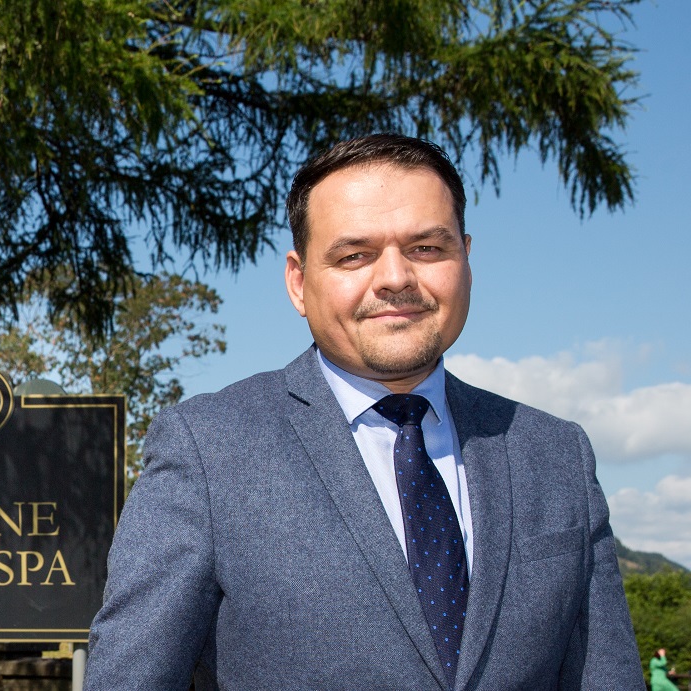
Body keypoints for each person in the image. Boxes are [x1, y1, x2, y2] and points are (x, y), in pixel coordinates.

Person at [84, 134, 643, 689]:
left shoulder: (555, 454)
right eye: (355, 255)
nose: (396, 278)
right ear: (299, 283)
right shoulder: (209, 449)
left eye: (427, 248)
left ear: (466, 260)